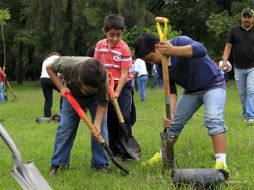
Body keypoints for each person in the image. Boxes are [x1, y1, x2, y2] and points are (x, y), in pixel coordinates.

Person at [135, 33, 229, 176]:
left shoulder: (179, 42)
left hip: (213, 84)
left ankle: (221, 162)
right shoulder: (161, 67)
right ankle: (162, 154)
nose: (151, 62)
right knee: (173, 124)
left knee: (213, 119)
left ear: (157, 47)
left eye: (150, 58)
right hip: (191, 91)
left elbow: (201, 50)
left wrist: (173, 51)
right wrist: (170, 113)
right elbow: (171, 90)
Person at [46, 56, 109, 176]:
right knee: (65, 128)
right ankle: (58, 164)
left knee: (100, 130)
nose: (85, 93)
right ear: (79, 79)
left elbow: (103, 103)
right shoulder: (68, 65)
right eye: (85, 90)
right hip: (71, 96)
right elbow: (49, 67)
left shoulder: (102, 79)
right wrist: (61, 87)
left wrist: (96, 124)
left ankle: (100, 166)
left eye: (90, 91)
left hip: (96, 101)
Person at [94, 14, 137, 160]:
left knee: (123, 116)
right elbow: (96, 65)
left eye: (118, 35)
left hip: (123, 87)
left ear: (123, 32)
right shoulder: (100, 46)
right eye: (111, 34)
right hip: (106, 85)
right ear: (104, 31)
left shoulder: (124, 49)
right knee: (110, 118)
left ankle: (127, 152)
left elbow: (124, 74)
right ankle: (115, 149)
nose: (115, 38)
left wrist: (117, 93)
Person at [222, 8, 254, 124]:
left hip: (252, 67)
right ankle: (246, 115)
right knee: (242, 93)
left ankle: (251, 116)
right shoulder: (234, 30)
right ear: (241, 17)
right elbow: (228, 47)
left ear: (253, 18)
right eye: (245, 16)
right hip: (238, 67)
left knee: (251, 90)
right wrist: (225, 61)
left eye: (249, 17)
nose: (247, 19)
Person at [39, 52, 62, 120]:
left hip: (43, 79)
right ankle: (62, 111)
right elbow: (60, 73)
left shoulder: (46, 60)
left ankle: (47, 116)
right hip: (51, 78)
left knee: (48, 99)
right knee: (65, 93)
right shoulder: (58, 58)